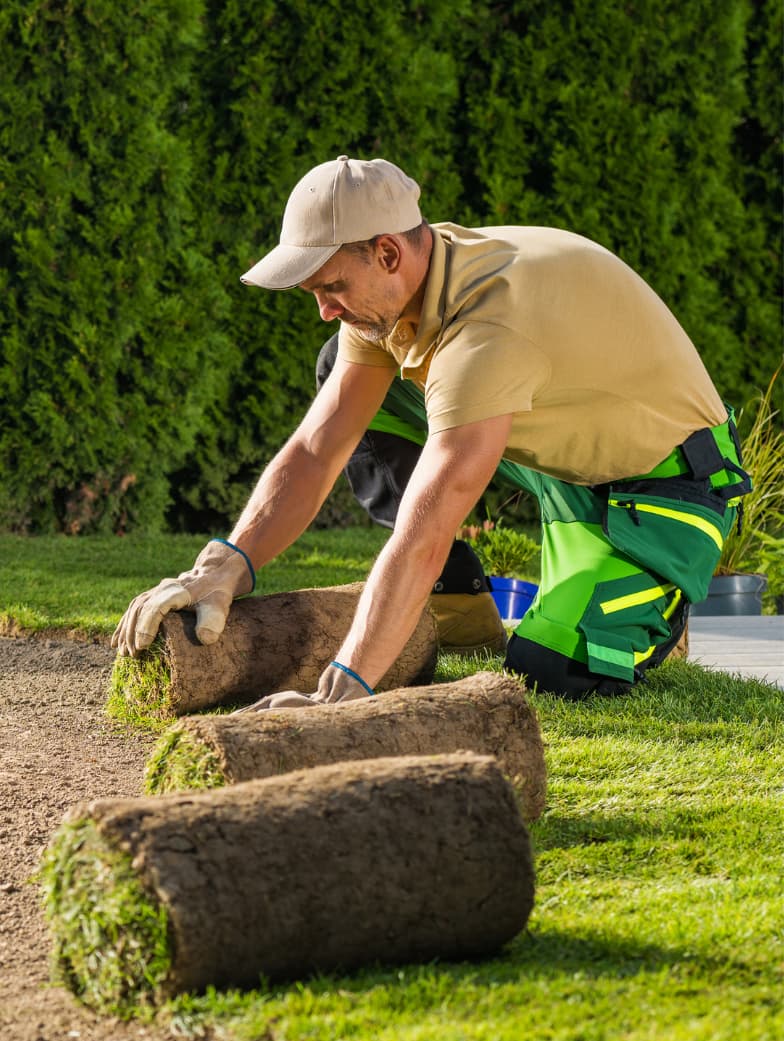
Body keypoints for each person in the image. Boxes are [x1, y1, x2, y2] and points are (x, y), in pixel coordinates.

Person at [113, 155, 751, 703]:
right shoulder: (403, 286)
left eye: (331, 286)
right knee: (343, 365)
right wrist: (224, 565)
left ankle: (653, 599)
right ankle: (460, 599)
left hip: (660, 484)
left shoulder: (488, 330)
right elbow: (318, 446)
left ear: (388, 251)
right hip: (558, 444)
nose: (323, 308)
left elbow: (427, 527)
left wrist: (343, 688)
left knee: (550, 671)